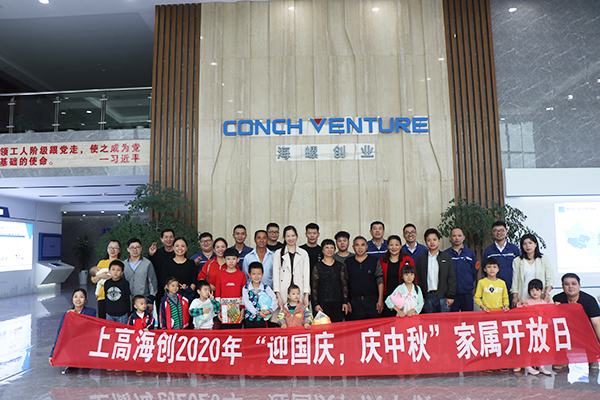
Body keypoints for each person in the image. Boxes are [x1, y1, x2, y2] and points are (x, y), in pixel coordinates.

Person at [515, 279, 553, 375]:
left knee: (541, 348)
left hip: (541, 330)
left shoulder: (544, 303)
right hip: (530, 330)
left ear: (542, 291)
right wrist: (520, 303)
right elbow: (518, 309)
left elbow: (549, 314)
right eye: (532, 290)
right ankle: (528, 366)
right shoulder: (527, 302)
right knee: (529, 348)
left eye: (537, 290)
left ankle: (541, 366)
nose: (534, 292)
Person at [49, 288, 96, 364]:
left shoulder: (91, 311)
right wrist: (53, 354)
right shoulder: (67, 314)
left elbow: (87, 327)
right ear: (72, 299)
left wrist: (75, 317)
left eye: (81, 297)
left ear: (85, 299)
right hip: (73, 346)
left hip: (86, 345)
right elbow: (60, 334)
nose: (78, 299)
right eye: (75, 297)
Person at [416, 228, 456, 314]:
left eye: (434, 239)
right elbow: (418, 278)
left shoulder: (446, 257)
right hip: (427, 297)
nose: (432, 242)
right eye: (429, 240)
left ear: (439, 241)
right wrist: (420, 297)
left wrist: (451, 296)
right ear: (425, 242)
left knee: (444, 321)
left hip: (443, 297)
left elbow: (451, 277)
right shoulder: (421, 259)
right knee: (429, 321)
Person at [345, 236, 384, 320]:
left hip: (372, 301)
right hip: (355, 302)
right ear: (353, 247)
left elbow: (380, 280)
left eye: (362, 245)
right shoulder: (348, 262)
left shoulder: (374, 260)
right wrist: (346, 301)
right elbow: (345, 283)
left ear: (366, 246)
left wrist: (380, 300)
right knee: (356, 327)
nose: (360, 248)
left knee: (375, 326)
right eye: (357, 245)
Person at [553, 273, 600, 342]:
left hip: (586, 335)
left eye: (574, 284)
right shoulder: (557, 299)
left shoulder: (589, 300)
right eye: (567, 284)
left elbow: (596, 324)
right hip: (566, 335)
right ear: (562, 286)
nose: (570, 286)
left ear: (579, 286)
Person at [311, 239, 350, 323]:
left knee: (338, 327)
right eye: (327, 247)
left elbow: (344, 285)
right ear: (322, 250)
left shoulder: (340, 265)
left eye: (332, 247)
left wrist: (345, 301)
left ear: (335, 249)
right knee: (325, 327)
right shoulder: (317, 266)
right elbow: (314, 287)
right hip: (322, 303)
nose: (329, 250)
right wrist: (315, 304)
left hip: (338, 302)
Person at [511, 233, 554, 308]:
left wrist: (547, 292)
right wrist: (515, 297)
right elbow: (515, 281)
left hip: (540, 297)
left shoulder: (543, 259)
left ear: (536, 244)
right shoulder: (517, 261)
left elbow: (550, 278)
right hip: (524, 296)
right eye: (524, 244)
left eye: (530, 243)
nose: (527, 246)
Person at [273, 225, 311, 308]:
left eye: (293, 236)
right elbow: (276, 276)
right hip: (283, 291)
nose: (291, 238)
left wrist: (306, 295)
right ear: (284, 237)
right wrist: (278, 296)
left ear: (296, 236)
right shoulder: (278, 253)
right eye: (288, 236)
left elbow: (306, 276)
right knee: (283, 314)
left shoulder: (303, 253)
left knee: (299, 314)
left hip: (299, 291)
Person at [379, 235, 415, 317]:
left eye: (397, 244)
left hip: (405, 297)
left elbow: (414, 279)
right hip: (387, 297)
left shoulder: (408, 260)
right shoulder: (383, 261)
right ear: (387, 246)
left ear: (401, 246)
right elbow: (380, 280)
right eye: (391, 245)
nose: (394, 247)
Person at [444, 227, 478, 312]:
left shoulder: (470, 253)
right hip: (451, 294)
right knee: (452, 318)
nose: (457, 238)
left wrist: (468, 282)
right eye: (454, 236)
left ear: (463, 237)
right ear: (450, 238)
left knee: (468, 318)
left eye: (459, 236)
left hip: (467, 293)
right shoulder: (446, 254)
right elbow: (443, 273)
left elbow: (474, 271)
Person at [483, 221, 520, 295]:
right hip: (494, 288)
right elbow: (484, 269)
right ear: (492, 232)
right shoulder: (488, 251)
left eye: (502, 230)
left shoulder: (514, 249)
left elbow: (520, 267)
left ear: (506, 231)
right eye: (495, 230)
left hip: (511, 287)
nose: (499, 233)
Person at [215, 248, 247, 329]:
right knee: (225, 331)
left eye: (233, 259)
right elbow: (218, 293)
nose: (231, 261)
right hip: (224, 308)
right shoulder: (220, 275)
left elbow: (244, 293)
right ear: (224, 260)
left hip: (237, 307)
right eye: (228, 259)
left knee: (237, 331)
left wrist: (243, 309)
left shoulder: (242, 275)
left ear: (238, 260)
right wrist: (218, 310)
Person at [123, 238, 158, 311]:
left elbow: (153, 281)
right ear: (128, 249)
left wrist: (151, 299)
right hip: (127, 300)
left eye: (137, 247)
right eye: (132, 248)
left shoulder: (147, 263)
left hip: (143, 300)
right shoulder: (124, 264)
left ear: (141, 248)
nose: (135, 250)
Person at [90, 239, 121, 319]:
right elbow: (93, 279)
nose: (112, 250)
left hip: (115, 295)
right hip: (102, 296)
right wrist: (101, 276)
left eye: (115, 248)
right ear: (107, 249)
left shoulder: (121, 263)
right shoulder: (102, 263)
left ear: (119, 250)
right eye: (110, 248)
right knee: (102, 319)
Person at [242, 262, 278, 328]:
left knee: (262, 334)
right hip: (249, 319)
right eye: (254, 274)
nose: (256, 276)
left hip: (263, 318)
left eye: (259, 274)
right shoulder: (246, 288)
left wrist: (269, 310)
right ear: (249, 274)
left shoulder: (266, 288)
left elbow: (274, 299)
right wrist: (257, 313)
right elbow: (247, 302)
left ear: (262, 274)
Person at [148, 228, 176, 303]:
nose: (168, 239)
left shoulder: (178, 253)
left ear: (174, 238)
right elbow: (149, 267)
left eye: (171, 237)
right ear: (162, 239)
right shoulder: (157, 253)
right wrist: (151, 255)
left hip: (175, 287)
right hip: (159, 287)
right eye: (166, 237)